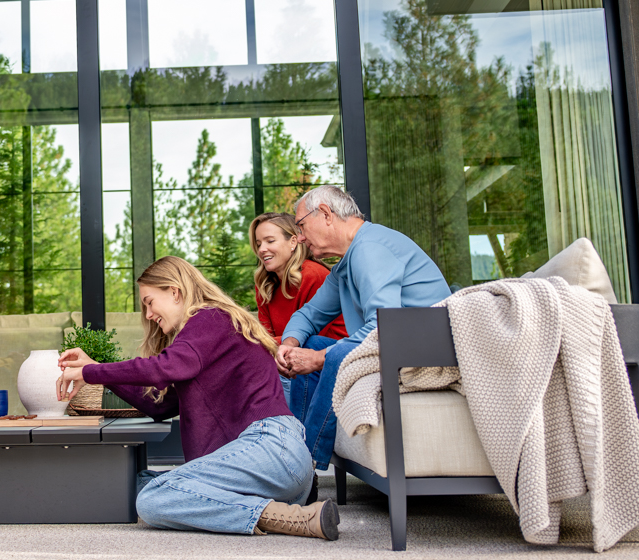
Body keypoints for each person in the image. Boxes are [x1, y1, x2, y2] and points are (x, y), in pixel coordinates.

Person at [56, 257, 338, 540]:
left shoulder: (210, 318)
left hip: (271, 448)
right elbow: (160, 405)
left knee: (153, 498)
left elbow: (163, 368)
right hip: (272, 467)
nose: (149, 313)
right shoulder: (201, 341)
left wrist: (93, 371)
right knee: (143, 482)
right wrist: (101, 374)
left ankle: (285, 518)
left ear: (175, 292)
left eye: (150, 301)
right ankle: (284, 510)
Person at [277, 184, 451, 470]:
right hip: (393, 347)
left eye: (301, 225)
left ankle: (303, 464)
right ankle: (297, 453)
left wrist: (319, 359)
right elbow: (309, 314)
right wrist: (291, 344)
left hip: (426, 354)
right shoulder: (346, 264)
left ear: (325, 214)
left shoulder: (370, 249)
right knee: (312, 345)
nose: (301, 237)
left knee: (330, 354)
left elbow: (382, 327)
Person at [250, 212, 345, 343]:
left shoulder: (313, 275)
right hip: (289, 352)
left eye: (270, 241)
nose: (261, 249)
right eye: (259, 244)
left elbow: (309, 337)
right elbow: (267, 339)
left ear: (293, 242)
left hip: (331, 351)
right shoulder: (264, 283)